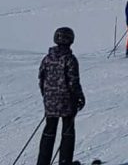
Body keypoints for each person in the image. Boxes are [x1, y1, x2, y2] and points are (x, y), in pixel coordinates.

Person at [37, 27, 85, 165]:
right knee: (68, 132)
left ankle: (42, 162)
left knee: (49, 131)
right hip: (67, 102)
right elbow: (73, 82)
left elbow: (41, 79)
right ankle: (65, 162)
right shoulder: (70, 59)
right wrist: (80, 97)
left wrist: (47, 97)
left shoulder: (47, 59)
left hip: (50, 102)